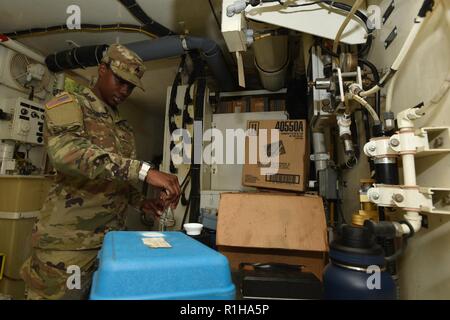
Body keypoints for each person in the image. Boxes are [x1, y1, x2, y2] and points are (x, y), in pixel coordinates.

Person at [20, 44, 181, 300]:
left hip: (110, 243)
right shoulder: (69, 102)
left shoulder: (123, 127)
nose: (125, 90)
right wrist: (144, 170)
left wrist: (142, 203)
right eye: (120, 80)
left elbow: (117, 180)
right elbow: (66, 154)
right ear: (102, 69)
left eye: (131, 86)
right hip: (68, 245)